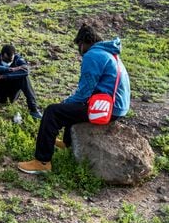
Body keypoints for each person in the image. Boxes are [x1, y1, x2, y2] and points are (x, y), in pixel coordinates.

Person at [17, 24, 131, 174]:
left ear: (83, 43)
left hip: (108, 109)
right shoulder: (109, 53)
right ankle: (67, 143)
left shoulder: (93, 55)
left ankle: (42, 162)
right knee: (74, 107)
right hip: (116, 106)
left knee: (53, 111)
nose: (79, 50)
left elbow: (83, 94)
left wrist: (65, 102)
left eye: (79, 46)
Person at [0, 44, 42, 119]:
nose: (9, 61)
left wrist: (4, 76)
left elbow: (26, 71)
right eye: (7, 59)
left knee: (24, 78)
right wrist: (9, 69)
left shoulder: (18, 59)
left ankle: (33, 109)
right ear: (2, 55)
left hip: (10, 95)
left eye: (11, 60)